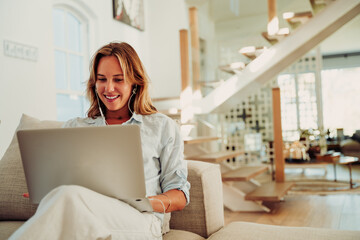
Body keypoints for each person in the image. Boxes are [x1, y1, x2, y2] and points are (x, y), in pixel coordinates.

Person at [9, 42, 190, 240]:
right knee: (66, 198)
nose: (109, 88)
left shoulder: (162, 127)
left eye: (118, 80)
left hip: (140, 220)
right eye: (102, 79)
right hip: (83, 212)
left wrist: (144, 201)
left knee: (67, 197)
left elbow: (180, 196)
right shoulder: (75, 127)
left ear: (135, 82)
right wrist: (48, 191)